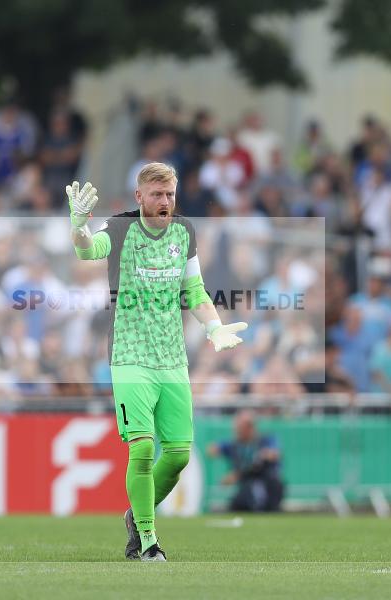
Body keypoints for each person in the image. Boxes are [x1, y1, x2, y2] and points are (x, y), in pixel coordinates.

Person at [68, 163, 248, 561]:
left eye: (169, 194)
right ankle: (149, 541)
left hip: (172, 358)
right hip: (129, 355)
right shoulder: (121, 229)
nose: (165, 201)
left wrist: (214, 327)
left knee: (179, 454)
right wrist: (79, 226)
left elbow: (194, 290)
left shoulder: (184, 232)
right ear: (140, 197)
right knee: (143, 447)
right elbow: (88, 250)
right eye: (157, 194)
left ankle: (136, 515)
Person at [208, 410, 285, 512]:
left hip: (267, 485)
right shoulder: (235, 445)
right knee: (237, 504)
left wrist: (238, 474)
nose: (237, 431)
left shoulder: (265, 440)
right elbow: (212, 450)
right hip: (246, 487)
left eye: (240, 428)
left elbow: (274, 455)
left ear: (250, 428)